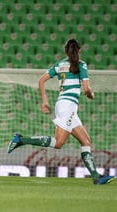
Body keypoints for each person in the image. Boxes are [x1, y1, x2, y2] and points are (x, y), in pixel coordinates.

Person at [8, 39, 115, 185]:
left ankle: (96, 177)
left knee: (86, 141)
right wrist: (91, 95)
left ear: (66, 51)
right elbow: (86, 88)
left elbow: (41, 80)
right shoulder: (81, 64)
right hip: (68, 106)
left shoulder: (59, 65)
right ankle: (21, 140)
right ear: (79, 50)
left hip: (66, 106)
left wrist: (45, 101)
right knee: (59, 143)